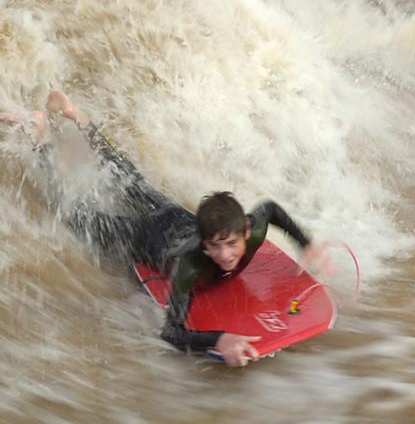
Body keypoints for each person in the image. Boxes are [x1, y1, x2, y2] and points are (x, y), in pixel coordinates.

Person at [0, 91, 326, 367]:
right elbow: (171, 333)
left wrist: (305, 243)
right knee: (73, 214)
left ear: (244, 231)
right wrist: (219, 339)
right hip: (143, 236)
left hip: (173, 215)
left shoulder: (251, 231)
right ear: (206, 242)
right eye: (215, 246)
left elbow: (270, 208)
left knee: (130, 176)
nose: (224, 255)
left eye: (230, 244)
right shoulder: (190, 267)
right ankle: (38, 137)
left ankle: (76, 114)